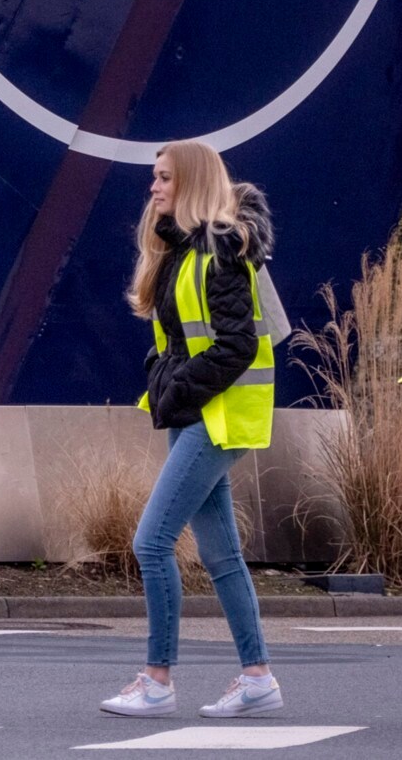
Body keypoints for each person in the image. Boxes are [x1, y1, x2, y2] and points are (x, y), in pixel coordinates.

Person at [99, 140, 284, 719]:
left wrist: (174, 389)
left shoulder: (221, 251)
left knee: (151, 542)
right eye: (153, 178)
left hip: (216, 416)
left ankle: (157, 679)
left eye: (164, 178)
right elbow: (183, 341)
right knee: (221, 554)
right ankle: (257, 678)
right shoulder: (182, 250)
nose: (153, 187)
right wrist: (164, 379)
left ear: (194, 183)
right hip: (198, 413)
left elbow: (237, 346)